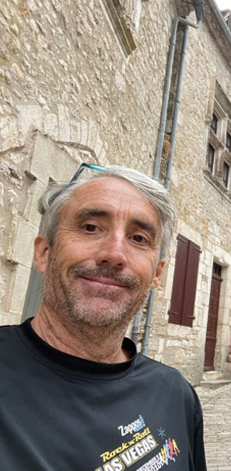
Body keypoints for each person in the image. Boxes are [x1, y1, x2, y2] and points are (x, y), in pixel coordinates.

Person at [0, 166, 207, 470]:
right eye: (90, 228)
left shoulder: (175, 394)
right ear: (44, 252)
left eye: (138, 238)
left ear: (156, 274)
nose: (114, 253)